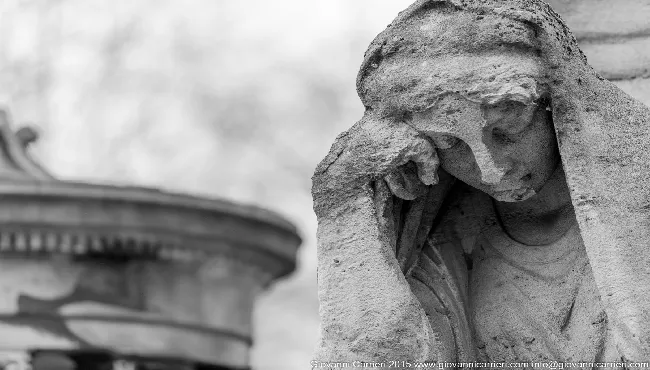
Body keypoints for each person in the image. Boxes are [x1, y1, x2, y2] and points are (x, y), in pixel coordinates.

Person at [312, 0, 650, 366]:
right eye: (450, 144)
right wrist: (345, 202)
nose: (490, 170)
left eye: (507, 131)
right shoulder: (445, 243)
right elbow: (377, 352)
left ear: (557, 106)